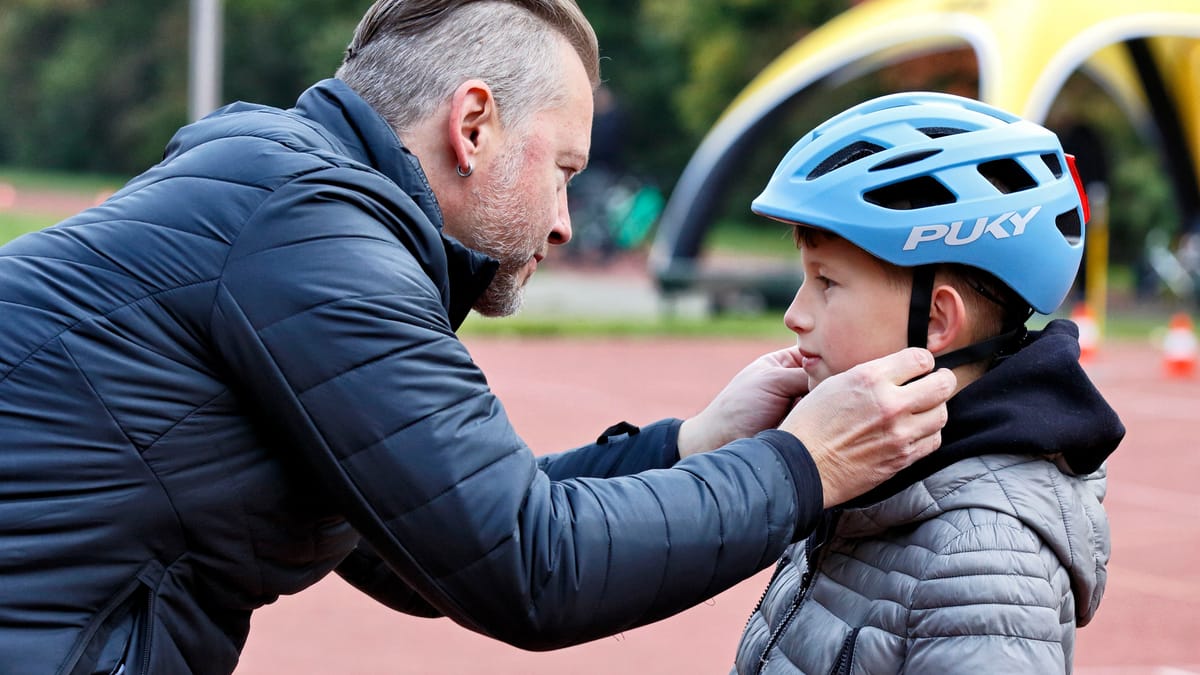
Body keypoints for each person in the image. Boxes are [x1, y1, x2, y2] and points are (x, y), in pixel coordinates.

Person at [0, 2, 957, 673]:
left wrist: (694, 446)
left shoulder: (282, 199)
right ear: (473, 123)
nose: (566, 222)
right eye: (564, 168)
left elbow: (436, 543)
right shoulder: (310, 230)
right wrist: (806, 466)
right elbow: (527, 567)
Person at [733, 92, 1126, 674]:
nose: (796, 314)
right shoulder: (868, 469)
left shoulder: (987, 559)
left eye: (827, 283)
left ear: (938, 320)